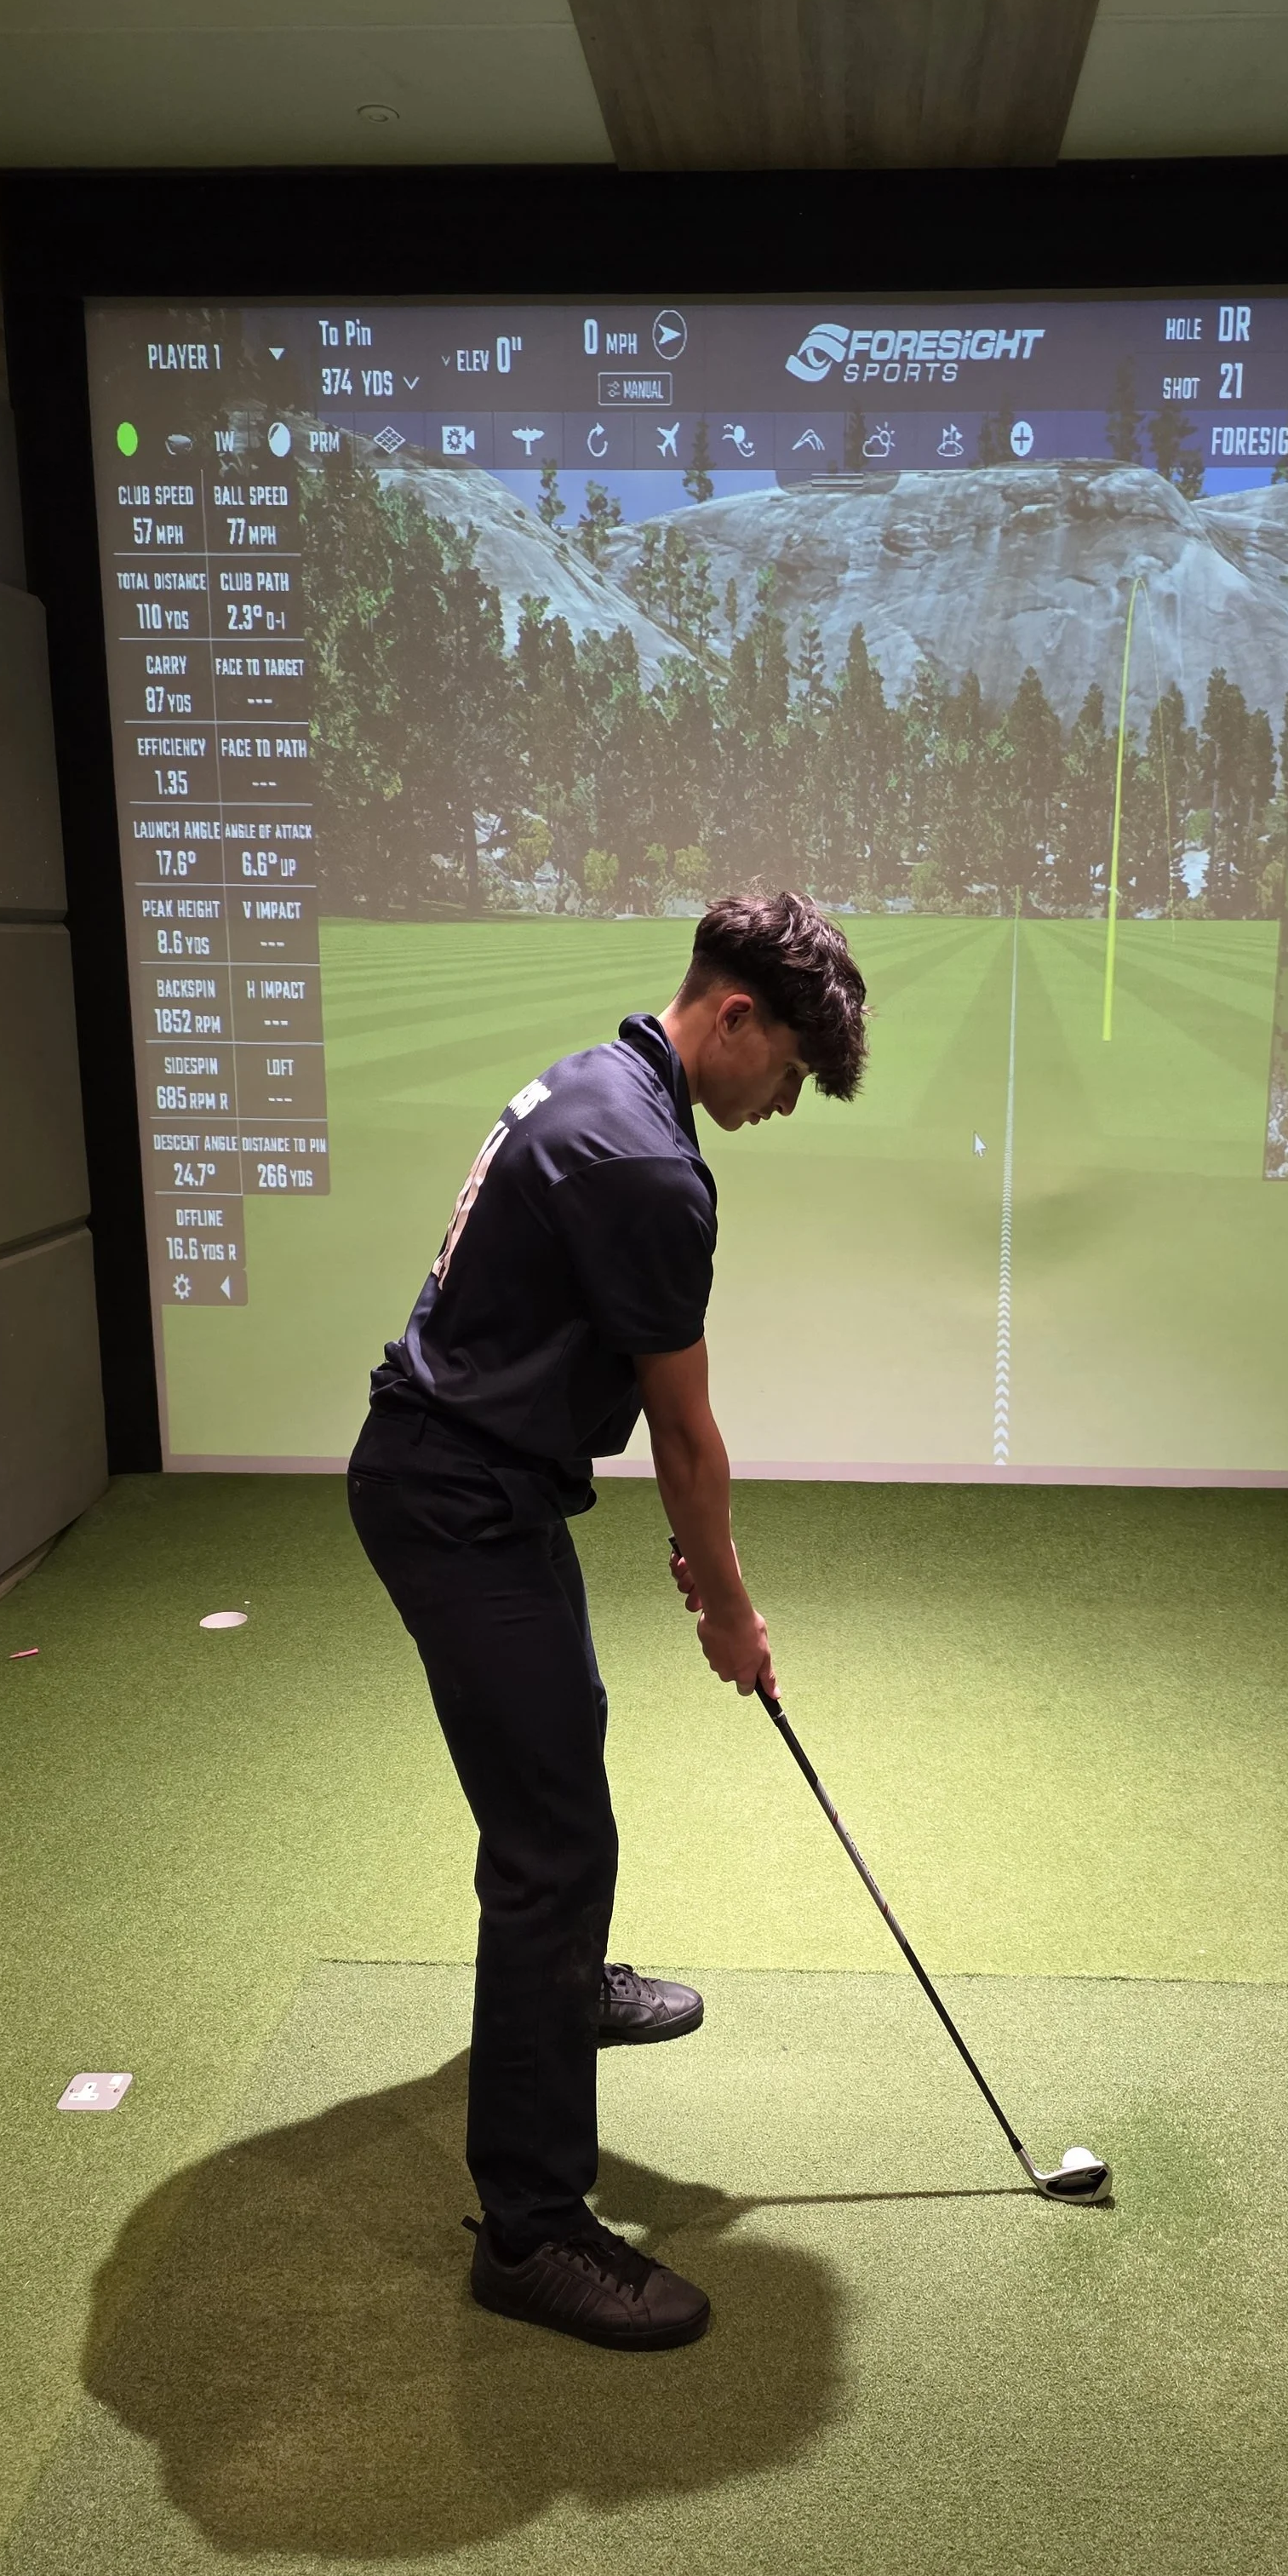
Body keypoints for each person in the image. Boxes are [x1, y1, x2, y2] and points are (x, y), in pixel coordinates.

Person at [348, 892, 869, 2351]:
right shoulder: (650, 1164)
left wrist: (699, 1574)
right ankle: (529, 2230)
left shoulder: (602, 1080)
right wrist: (731, 1614)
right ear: (735, 1017)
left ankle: (564, 1991)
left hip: (476, 1483)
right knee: (552, 1844)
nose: (783, 1105)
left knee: (561, 1750)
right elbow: (687, 1439)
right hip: (456, 1499)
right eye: (786, 1074)